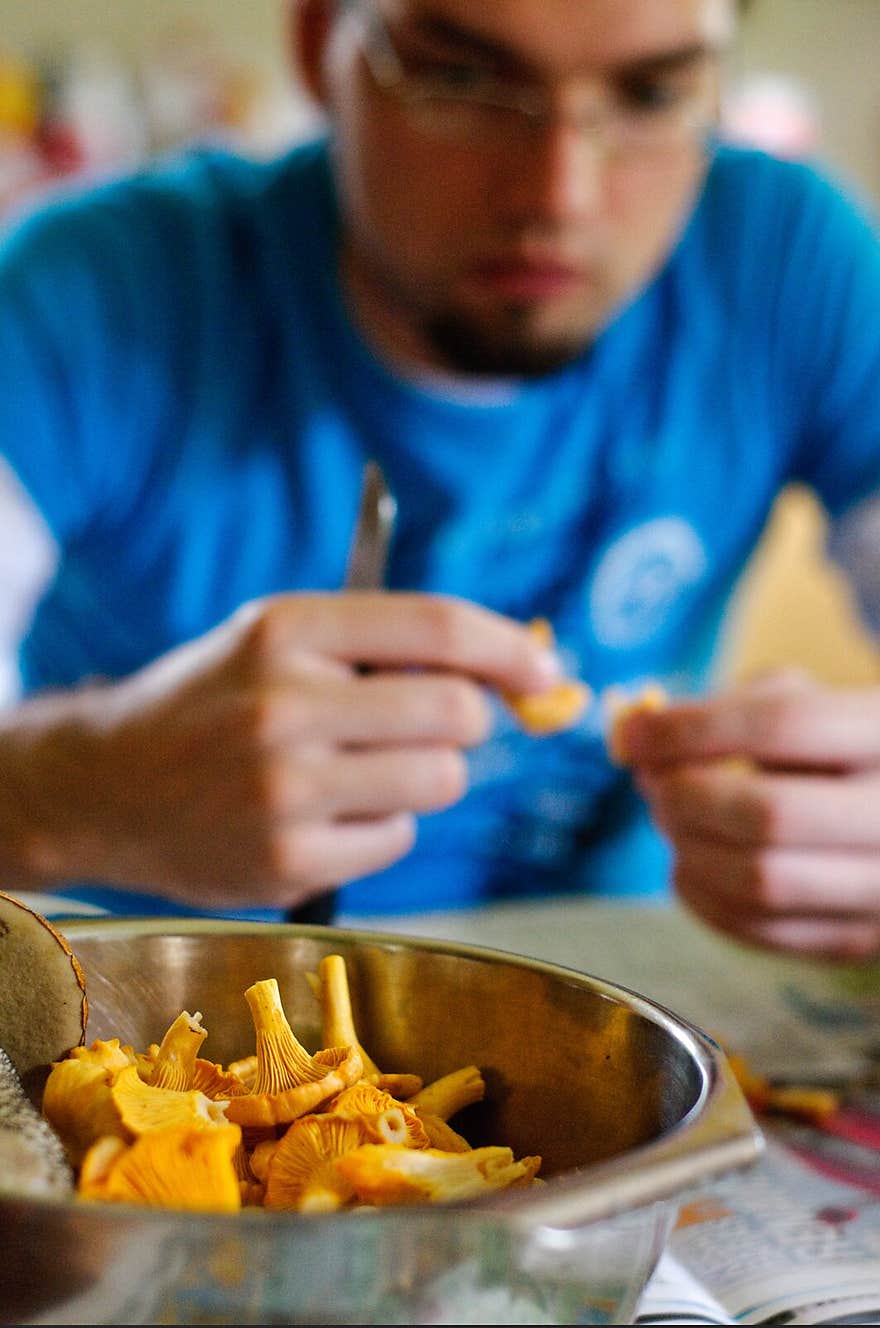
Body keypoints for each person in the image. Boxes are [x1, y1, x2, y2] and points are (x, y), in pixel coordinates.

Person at [0, 0, 879, 959]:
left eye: (652, 92)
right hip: (160, 1012)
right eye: (462, 79)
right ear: (319, 45)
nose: (559, 195)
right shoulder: (91, 298)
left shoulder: (787, 265)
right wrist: (75, 790)